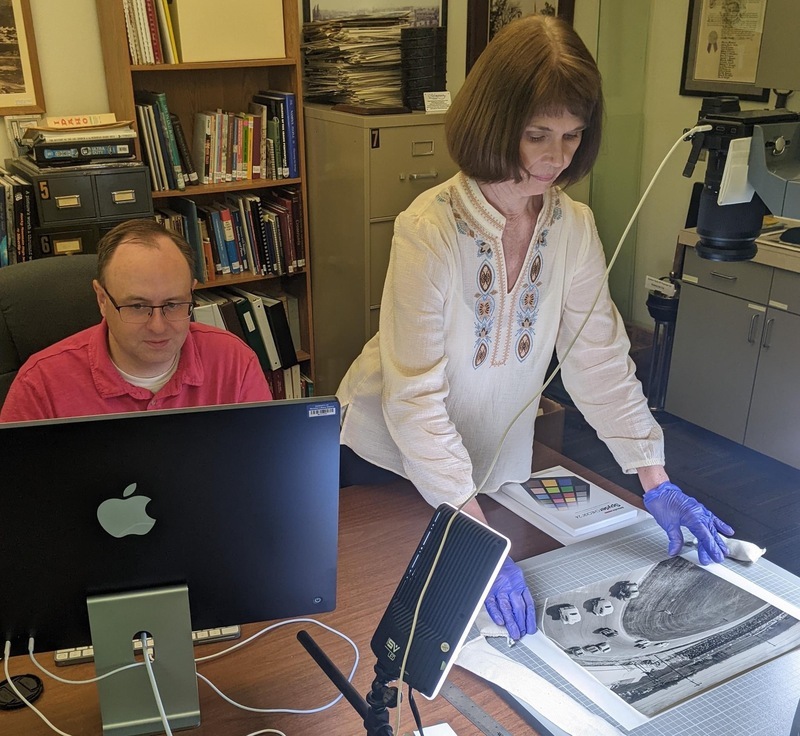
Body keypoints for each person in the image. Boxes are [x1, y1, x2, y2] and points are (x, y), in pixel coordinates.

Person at [336, 15, 733, 640]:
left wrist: (653, 474)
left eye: (573, 136)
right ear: (495, 125)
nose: (557, 158)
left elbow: (598, 360)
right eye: (538, 135)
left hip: (492, 466)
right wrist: (470, 533)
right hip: (389, 465)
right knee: (382, 623)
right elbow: (412, 399)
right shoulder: (429, 229)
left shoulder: (572, 227)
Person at [0, 218, 271, 422]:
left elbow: (265, 467)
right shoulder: (40, 385)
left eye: (173, 304)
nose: (158, 326)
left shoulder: (235, 363)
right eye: (138, 306)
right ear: (102, 300)